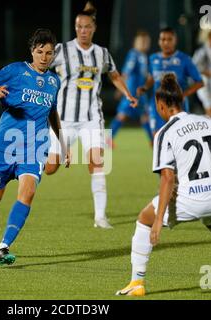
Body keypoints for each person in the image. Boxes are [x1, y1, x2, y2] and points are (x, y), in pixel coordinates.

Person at [116, 74, 211, 297]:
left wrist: (157, 221)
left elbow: (167, 179)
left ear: (161, 105)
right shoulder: (208, 121)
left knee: (144, 220)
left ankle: (137, 282)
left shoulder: (164, 133)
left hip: (194, 199)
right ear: (182, 102)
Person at [0, 29, 71, 265]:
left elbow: (52, 113)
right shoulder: (15, 71)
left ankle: (3, 248)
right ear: (32, 52)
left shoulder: (54, 81)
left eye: (49, 53)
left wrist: (63, 143)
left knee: (28, 192)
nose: (44, 57)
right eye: (40, 52)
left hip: (35, 147)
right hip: (5, 145)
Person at [44, 2, 137, 229]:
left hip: (92, 117)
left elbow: (114, 75)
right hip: (63, 119)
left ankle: (100, 217)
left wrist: (127, 94)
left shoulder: (102, 53)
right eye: (79, 27)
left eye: (86, 27)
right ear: (75, 28)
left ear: (93, 28)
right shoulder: (62, 50)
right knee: (50, 168)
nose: (83, 31)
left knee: (97, 162)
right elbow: (41, 66)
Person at [137, 27, 204, 137]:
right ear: (159, 41)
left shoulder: (184, 59)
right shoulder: (153, 59)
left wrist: (183, 94)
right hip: (157, 104)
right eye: (163, 39)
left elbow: (200, 82)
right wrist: (145, 87)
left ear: (175, 41)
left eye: (169, 39)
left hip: (177, 105)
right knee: (157, 136)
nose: (166, 42)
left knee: (180, 137)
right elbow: (152, 78)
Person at [107, 31, 153, 148]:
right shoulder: (133, 54)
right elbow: (126, 73)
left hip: (140, 93)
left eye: (146, 42)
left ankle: (152, 140)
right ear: (136, 43)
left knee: (145, 115)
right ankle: (108, 139)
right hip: (131, 91)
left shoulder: (144, 56)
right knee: (123, 114)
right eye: (141, 41)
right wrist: (121, 89)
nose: (144, 44)